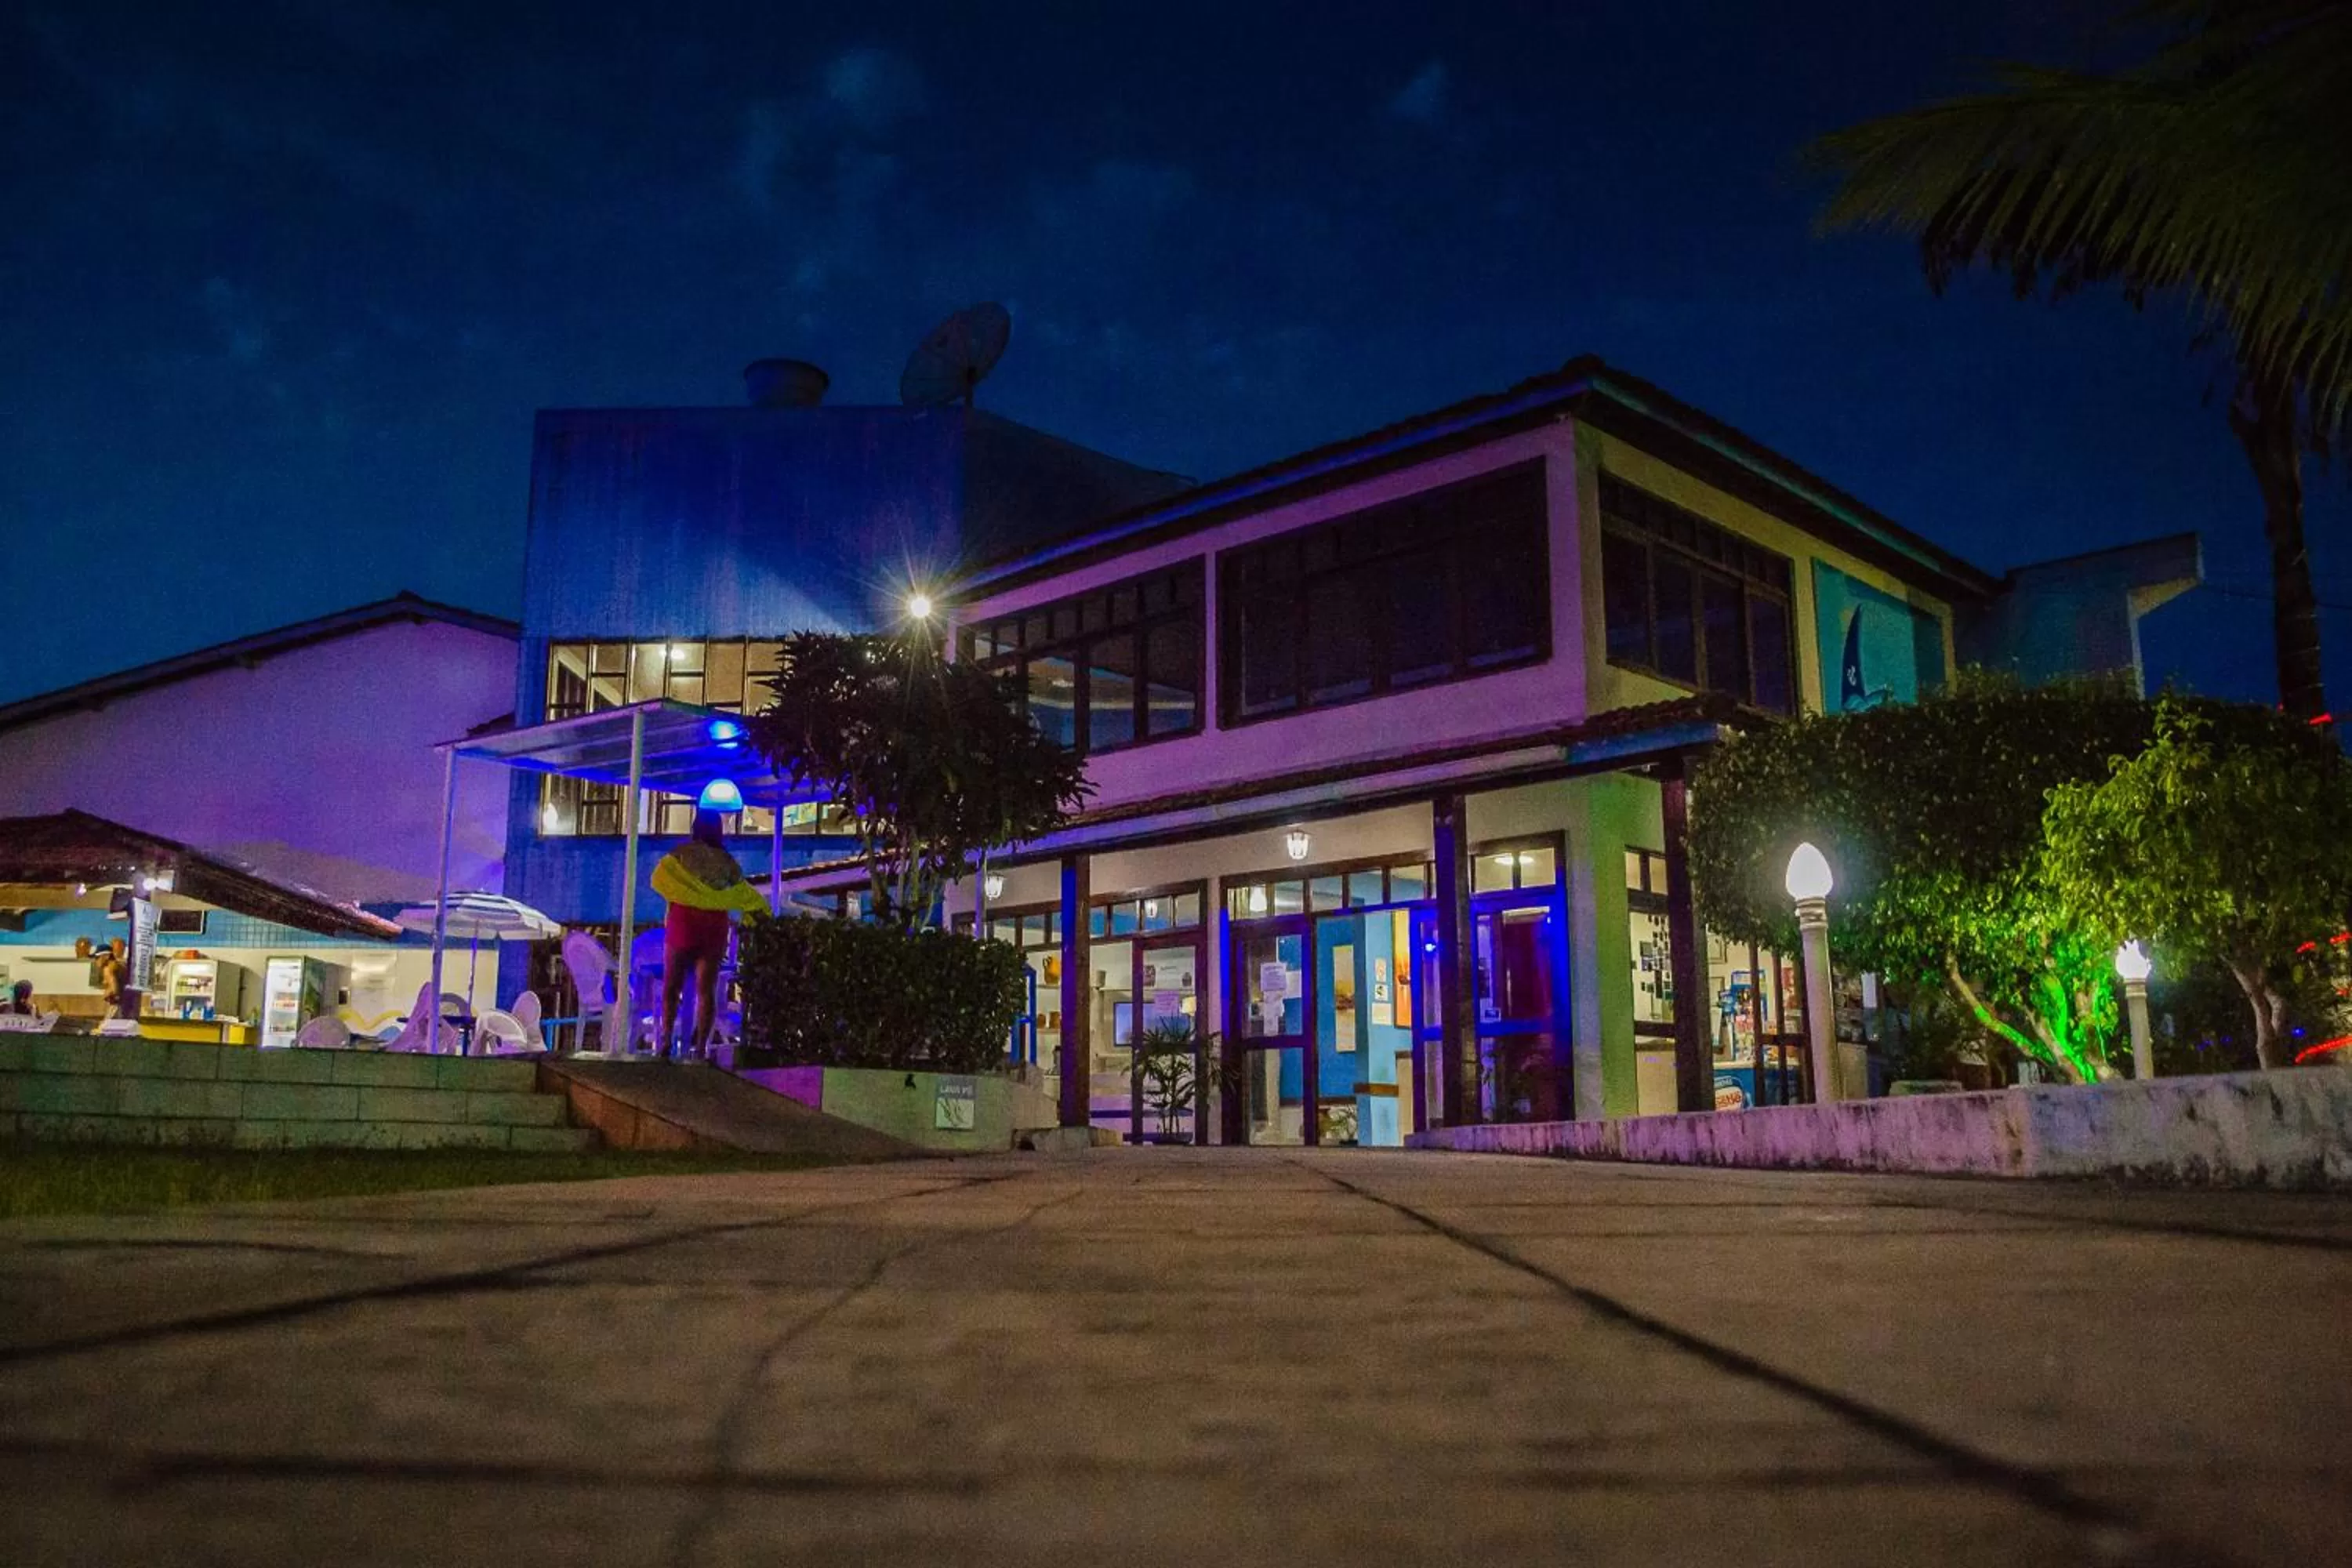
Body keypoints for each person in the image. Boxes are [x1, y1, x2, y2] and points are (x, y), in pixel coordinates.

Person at [648, 810, 768, 1061]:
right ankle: (701, 1048)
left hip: (684, 920)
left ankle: (666, 1041)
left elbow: (660, 879)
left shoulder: (681, 854)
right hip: (714, 925)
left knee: (672, 985)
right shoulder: (728, 862)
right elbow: (743, 894)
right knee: (707, 990)